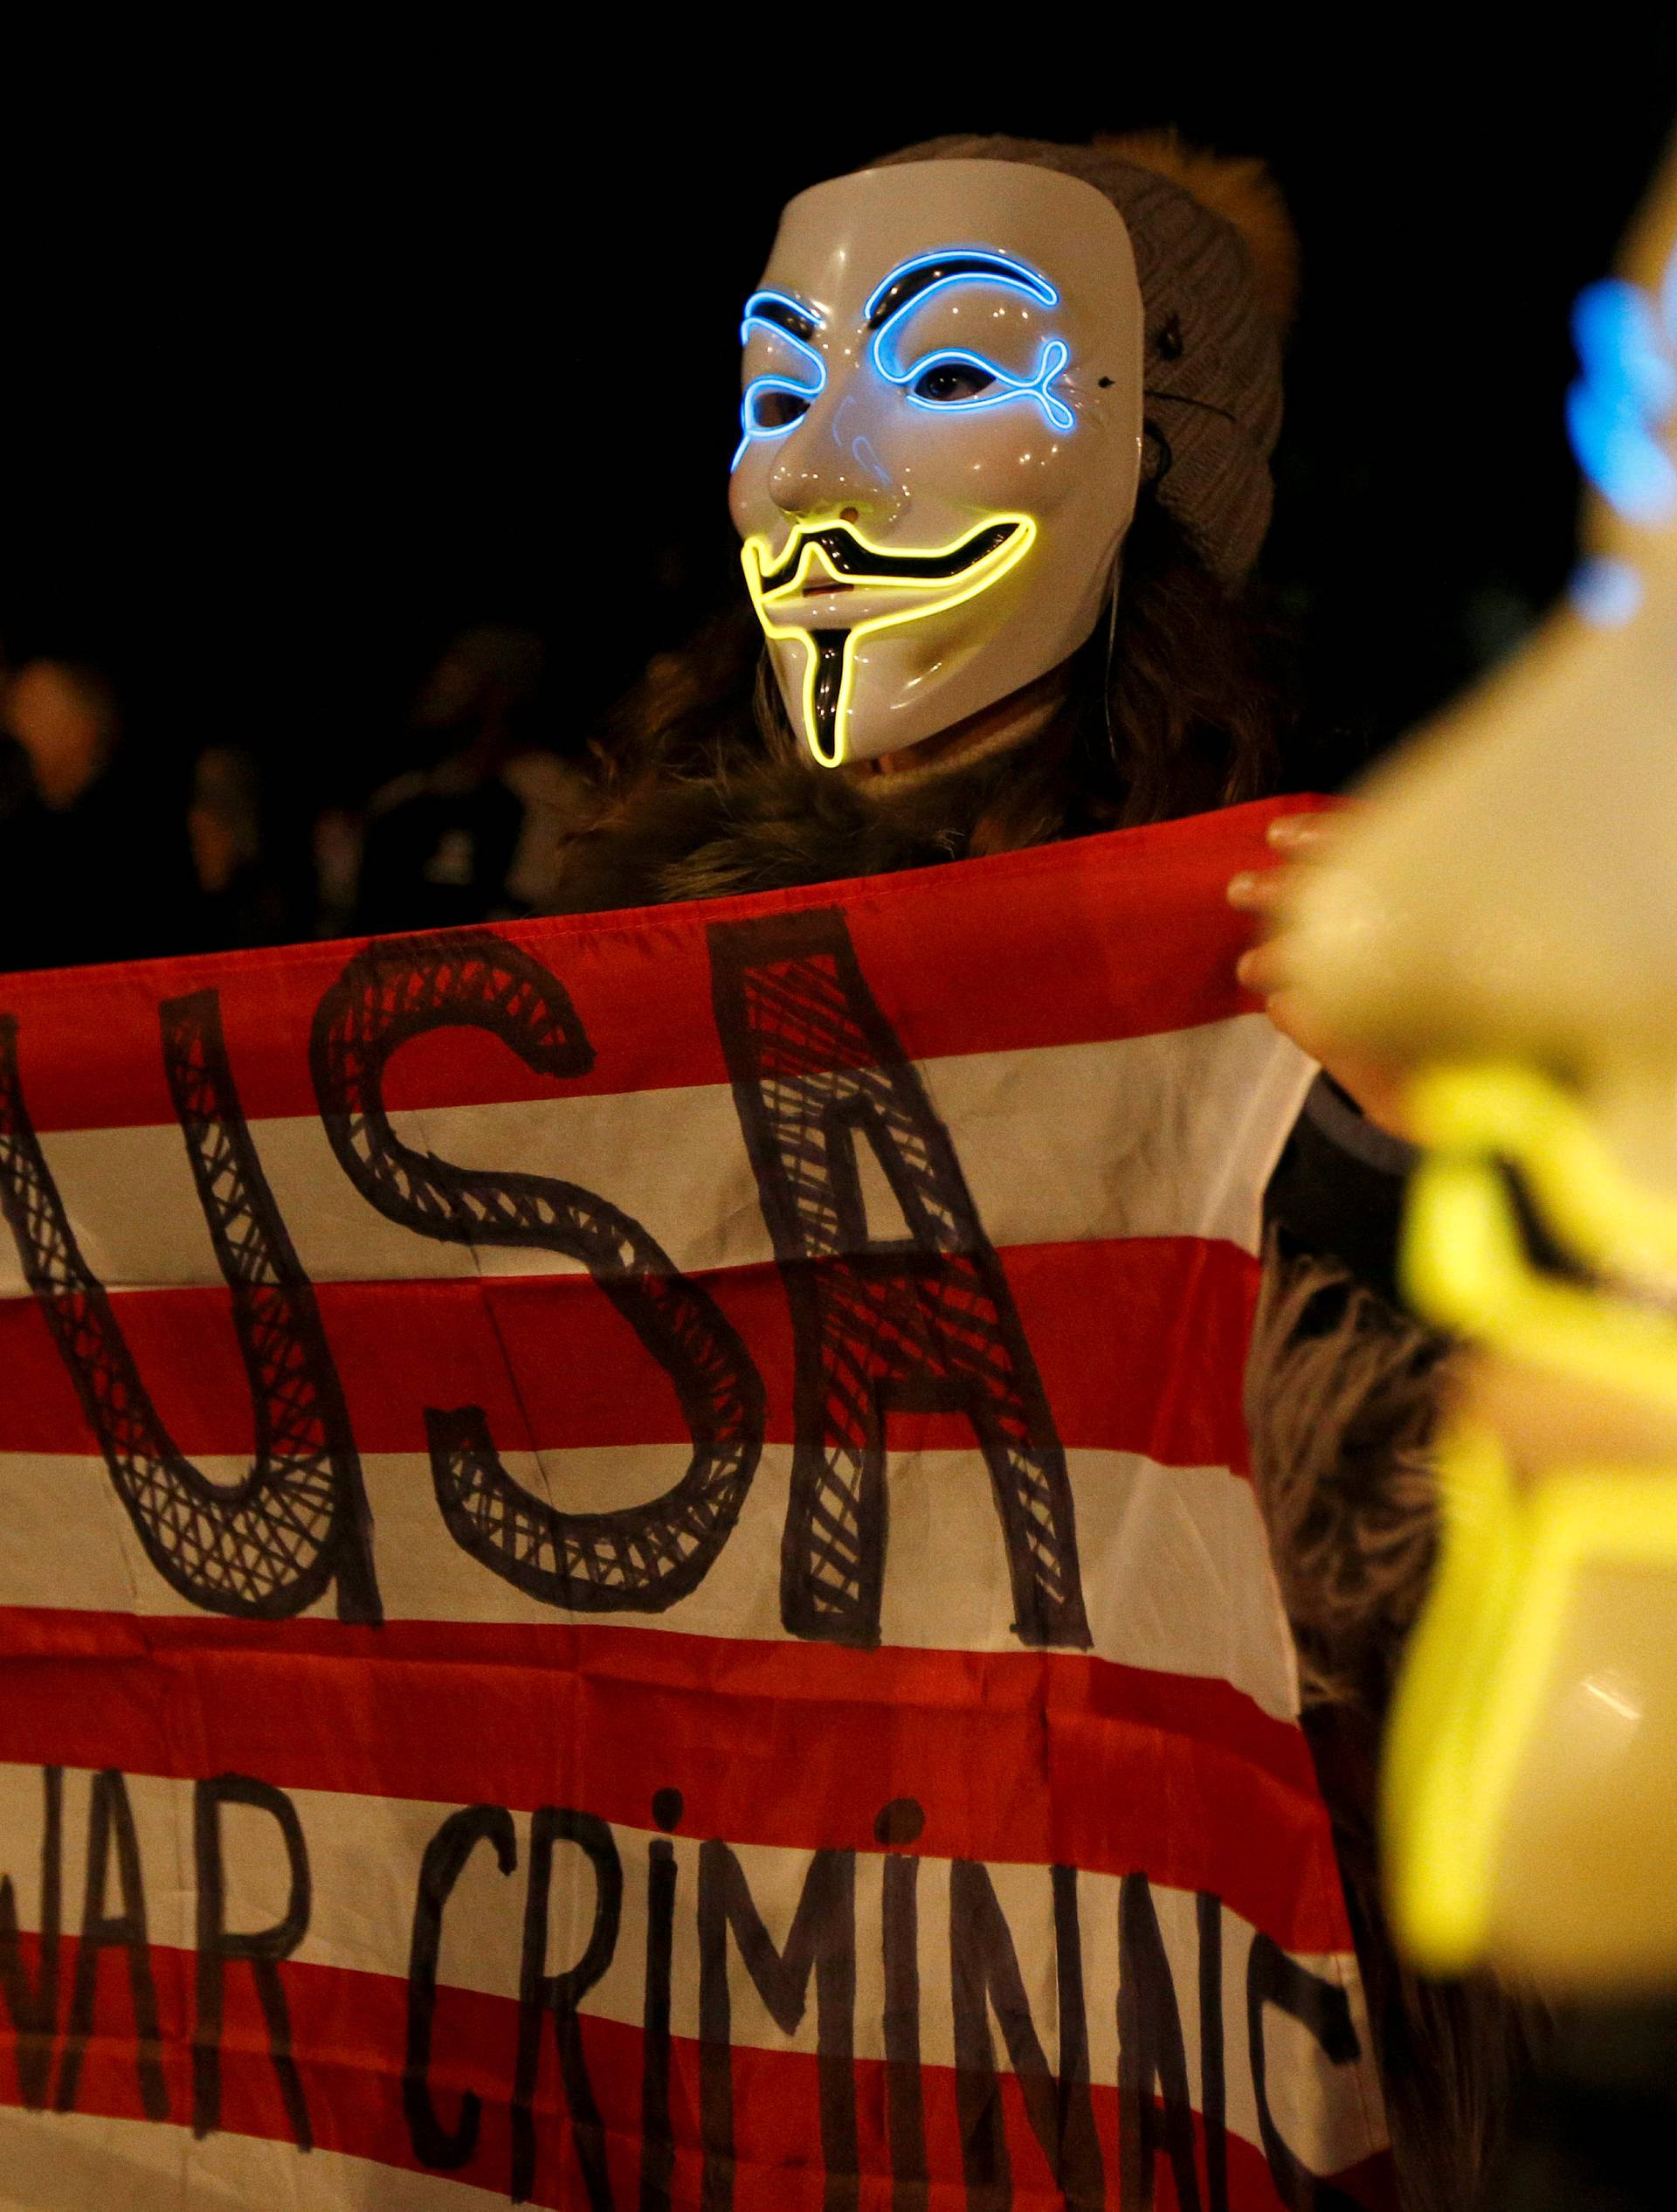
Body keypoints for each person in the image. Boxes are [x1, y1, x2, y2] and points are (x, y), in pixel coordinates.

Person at [554, 131, 1536, 2206]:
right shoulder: (605, 984)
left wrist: (1435, 1162)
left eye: (948, 371)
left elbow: (1467, 1581)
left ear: (1162, 472)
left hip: (1132, 2056)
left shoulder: (1308, 977)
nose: (813, 477)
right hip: (719, 2023)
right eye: (768, 391)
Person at [349, 622, 593, 934]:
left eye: (459, 664)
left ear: (500, 689)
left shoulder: (548, 791)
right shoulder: (400, 798)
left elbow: (536, 909)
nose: (437, 681)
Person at [0, 656, 201, 969]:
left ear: (81, 728)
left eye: (33, 710)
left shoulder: (137, 826)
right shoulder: (20, 822)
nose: (14, 726)